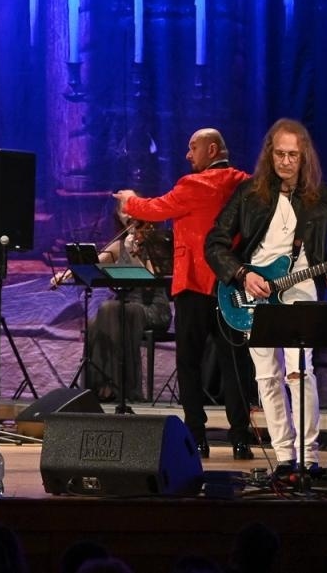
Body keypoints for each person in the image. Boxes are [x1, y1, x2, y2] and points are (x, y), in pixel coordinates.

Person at [205, 119, 327, 469]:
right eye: (280, 154)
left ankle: (309, 457)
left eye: (293, 156)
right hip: (254, 290)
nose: (285, 162)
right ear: (270, 154)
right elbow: (215, 243)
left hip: (299, 287)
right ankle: (285, 458)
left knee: (301, 371)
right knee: (267, 377)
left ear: (305, 158)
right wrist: (242, 274)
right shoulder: (249, 194)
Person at [114, 127, 254, 458]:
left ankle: (197, 437)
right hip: (233, 286)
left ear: (213, 149)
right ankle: (240, 439)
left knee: (188, 363)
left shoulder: (194, 185)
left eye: (194, 148)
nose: (188, 154)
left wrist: (129, 200)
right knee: (235, 364)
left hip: (194, 285)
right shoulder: (245, 183)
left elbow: (154, 209)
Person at [83, 213, 171, 407]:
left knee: (109, 308)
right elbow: (92, 267)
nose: (128, 214)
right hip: (124, 306)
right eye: (123, 210)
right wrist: (65, 275)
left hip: (152, 308)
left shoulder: (156, 244)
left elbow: (150, 284)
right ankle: (99, 386)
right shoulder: (118, 246)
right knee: (95, 321)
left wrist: (135, 255)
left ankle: (119, 387)